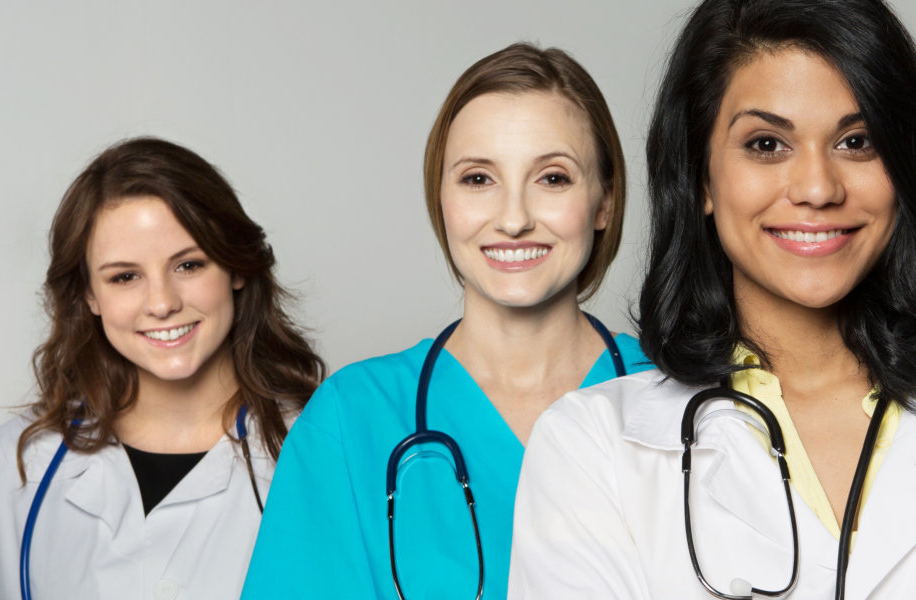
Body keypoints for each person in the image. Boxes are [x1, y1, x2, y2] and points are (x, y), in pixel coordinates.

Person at [508, 1, 916, 597]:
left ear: (906, 169)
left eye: (857, 141)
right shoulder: (590, 451)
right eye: (767, 144)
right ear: (700, 176)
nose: (818, 187)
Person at [242, 43, 649, 599]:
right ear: (441, 200)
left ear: (604, 201)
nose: (513, 218)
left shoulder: (684, 402)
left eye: (552, 178)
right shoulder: (350, 419)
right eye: (478, 179)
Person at [0, 137, 325, 600]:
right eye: (124, 277)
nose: (162, 303)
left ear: (236, 268)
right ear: (89, 295)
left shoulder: (326, 460)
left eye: (189, 265)